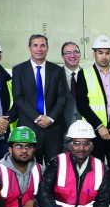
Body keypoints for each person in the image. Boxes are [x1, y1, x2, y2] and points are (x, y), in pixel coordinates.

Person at [11, 33, 68, 163]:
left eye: (43, 45)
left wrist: (50, 118)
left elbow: (62, 97)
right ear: (29, 48)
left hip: (53, 129)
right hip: (30, 128)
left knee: (54, 168)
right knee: (31, 169)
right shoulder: (19, 70)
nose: (39, 49)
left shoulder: (57, 70)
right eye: (35, 45)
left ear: (47, 48)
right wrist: (38, 118)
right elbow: (18, 98)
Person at [75, 35, 110, 174]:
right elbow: (82, 104)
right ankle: (97, 197)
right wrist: (99, 126)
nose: (104, 56)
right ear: (94, 54)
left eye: (107, 52)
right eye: (100, 52)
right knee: (95, 171)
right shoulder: (84, 74)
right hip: (94, 132)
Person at [59, 41, 84, 129]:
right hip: (62, 129)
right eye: (68, 53)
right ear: (63, 56)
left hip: (85, 129)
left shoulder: (88, 75)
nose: (72, 56)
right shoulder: (55, 76)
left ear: (80, 55)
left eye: (76, 52)